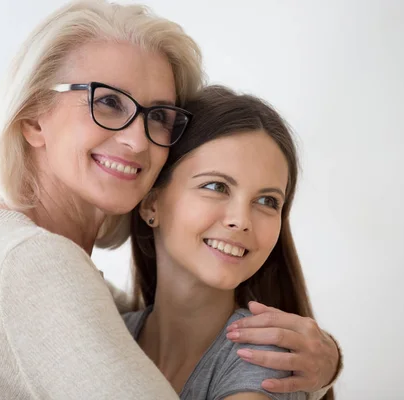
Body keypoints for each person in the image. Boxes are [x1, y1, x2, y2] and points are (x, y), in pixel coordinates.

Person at [0, 1, 340, 399]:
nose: (137, 139)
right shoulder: (28, 262)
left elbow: (127, 316)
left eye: (158, 115)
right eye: (107, 102)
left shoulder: (30, 261)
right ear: (33, 118)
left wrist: (321, 366)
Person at [124, 85, 338, 400]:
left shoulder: (264, 355)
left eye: (267, 200)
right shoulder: (110, 331)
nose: (241, 219)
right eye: (216, 186)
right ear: (151, 203)